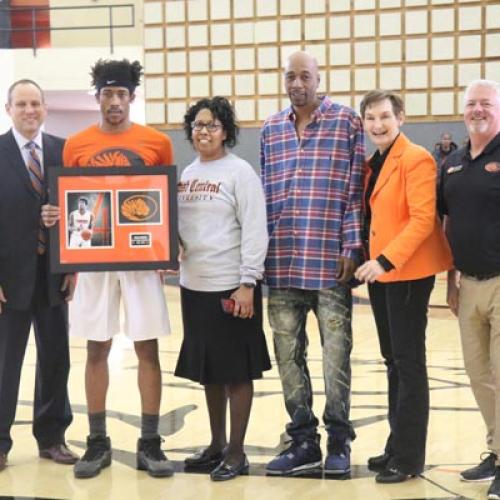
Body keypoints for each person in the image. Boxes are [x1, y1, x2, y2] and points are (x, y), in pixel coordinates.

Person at [42, 59, 174, 479]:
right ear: (97, 97)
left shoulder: (156, 141)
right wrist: (68, 261)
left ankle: (150, 443)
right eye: (107, 94)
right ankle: (97, 442)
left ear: (132, 98)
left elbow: (164, 202)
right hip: (94, 260)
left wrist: (168, 246)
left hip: (140, 260)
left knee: (146, 347)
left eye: (121, 94)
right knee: (96, 347)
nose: (114, 101)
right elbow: (71, 205)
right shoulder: (75, 145)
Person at [260, 51, 365, 476]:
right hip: (282, 260)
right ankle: (303, 440)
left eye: (306, 75)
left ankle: (339, 437)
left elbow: (354, 186)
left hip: (328, 260)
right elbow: (264, 192)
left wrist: (351, 245)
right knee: (288, 354)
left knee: (336, 354)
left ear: (320, 79)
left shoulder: (346, 122)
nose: (298, 82)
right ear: (284, 80)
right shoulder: (270, 129)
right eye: (291, 76)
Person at [354, 90, 452, 483]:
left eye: (384, 117)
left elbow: (423, 219)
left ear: (401, 118)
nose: (377, 125)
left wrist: (384, 260)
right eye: (371, 118)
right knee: (393, 362)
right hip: (382, 275)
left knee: (409, 365)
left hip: (407, 272)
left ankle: (410, 457)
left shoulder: (417, 159)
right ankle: (397, 445)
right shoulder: (373, 163)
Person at [175, 96, 271, 481]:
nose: (204, 131)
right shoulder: (186, 174)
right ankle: (215, 444)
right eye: (198, 125)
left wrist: (248, 283)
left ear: (226, 131)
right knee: (210, 371)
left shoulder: (240, 172)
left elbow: (254, 228)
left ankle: (236, 451)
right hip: (193, 285)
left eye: (212, 125)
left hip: (231, 286)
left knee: (236, 372)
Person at [0, 79, 77, 472]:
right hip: (8, 280)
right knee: (4, 363)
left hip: (53, 276)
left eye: (35, 104)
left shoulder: (65, 152)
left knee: (55, 360)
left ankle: (52, 437)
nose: (29, 110)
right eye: (22, 104)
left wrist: (73, 265)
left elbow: (82, 211)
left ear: (45, 108)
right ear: (9, 108)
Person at [442, 79, 500, 500]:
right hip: (468, 283)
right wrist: (451, 279)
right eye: (471, 104)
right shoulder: (453, 163)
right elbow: (447, 224)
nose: (477, 110)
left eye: (486, 103)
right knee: (479, 376)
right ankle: (496, 452)